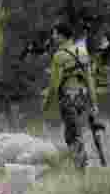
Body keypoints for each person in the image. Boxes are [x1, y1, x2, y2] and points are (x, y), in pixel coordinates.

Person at [41, 22, 102, 169]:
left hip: (68, 99)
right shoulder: (82, 52)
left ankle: (80, 169)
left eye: (55, 33)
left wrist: (46, 105)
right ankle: (82, 165)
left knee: (72, 136)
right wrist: (94, 103)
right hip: (83, 98)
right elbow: (90, 80)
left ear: (62, 36)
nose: (53, 36)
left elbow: (54, 85)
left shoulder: (59, 56)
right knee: (78, 132)